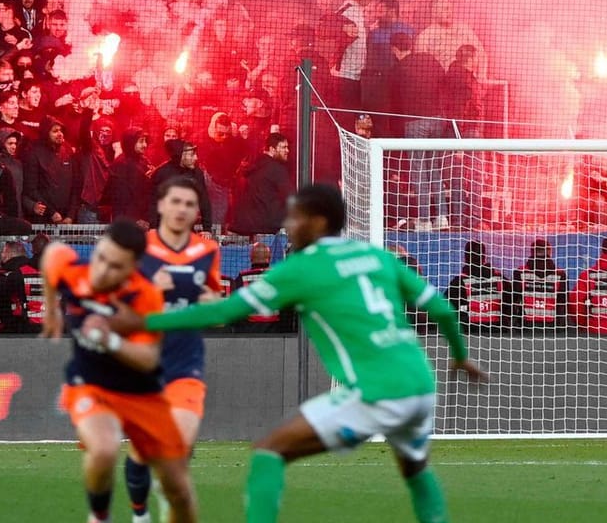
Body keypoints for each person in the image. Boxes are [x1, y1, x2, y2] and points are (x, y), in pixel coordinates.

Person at [106, 184, 486, 523]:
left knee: (269, 451)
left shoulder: (301, 269)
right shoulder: (378, 257)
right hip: (420, 384)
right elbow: (441, 309)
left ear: (318, 222)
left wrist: (144, 322)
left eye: (295, 216)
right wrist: (460, 355)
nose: (287, 224)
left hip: (375, 389)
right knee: (416, 469)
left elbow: (224, 311)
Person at [41, 223, 199, 523]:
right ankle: (100, 517)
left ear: (133, 268)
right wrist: (51, 309)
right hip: (92, 385)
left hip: (142, 394)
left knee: (178, 489)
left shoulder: (144, 298)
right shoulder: (77, 274)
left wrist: (110, 339)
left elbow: (148, 359)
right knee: (103, 450)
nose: (102, 271)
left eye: (115, 266)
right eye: (101, 257)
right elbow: (53, 254)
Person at [126, 177, 224, 523]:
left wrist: (211, 302)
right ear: (161, 206)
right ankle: (140, 514)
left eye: (189, 204)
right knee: (141, 452)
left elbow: (217, 309)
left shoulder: (206, 251)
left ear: (197, 212)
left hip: (186, 365)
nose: (182, 209)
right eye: (176, 202)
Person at [231, 132, 294, 236]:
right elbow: (290, 196)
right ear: (272, 149)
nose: (287, 150)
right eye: (283, 147)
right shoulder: (277, 169)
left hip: (244, 225)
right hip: (267, 226)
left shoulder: (253, 164)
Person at [0, 239, 44, 334]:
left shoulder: (1, 277)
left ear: (7, 253)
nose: (1, 256)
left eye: (2, 253)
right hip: (38, 329)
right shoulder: (35, 274)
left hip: (9, 332)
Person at [445, 239, 507, 329]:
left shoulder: (459, 282)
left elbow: (447, 307)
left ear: (466, 257)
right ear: (484, 257)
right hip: (497, 331)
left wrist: (464, 309)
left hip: (469, 333)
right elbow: (511, 302)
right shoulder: (500, 279)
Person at [511, 238, 569, 328]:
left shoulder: (520, 272)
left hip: (526, 327)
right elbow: (563, 301)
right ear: (549, 252)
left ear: (532, 252)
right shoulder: (560, 274)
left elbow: (514, 299)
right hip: (552, 328)